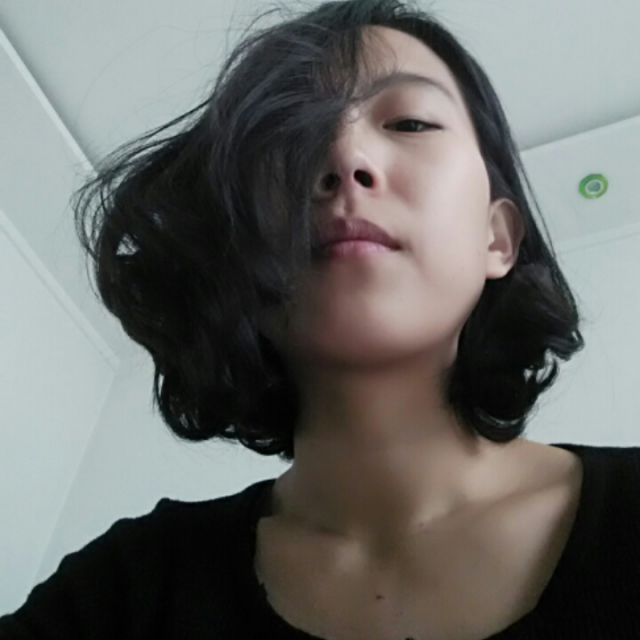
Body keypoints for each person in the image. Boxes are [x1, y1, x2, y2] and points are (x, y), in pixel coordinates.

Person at [2, 0, 639, 638]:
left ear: (496, 239)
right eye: (290, 138)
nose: (344, 156)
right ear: (236, 248)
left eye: (411, 122)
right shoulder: (126, 591)